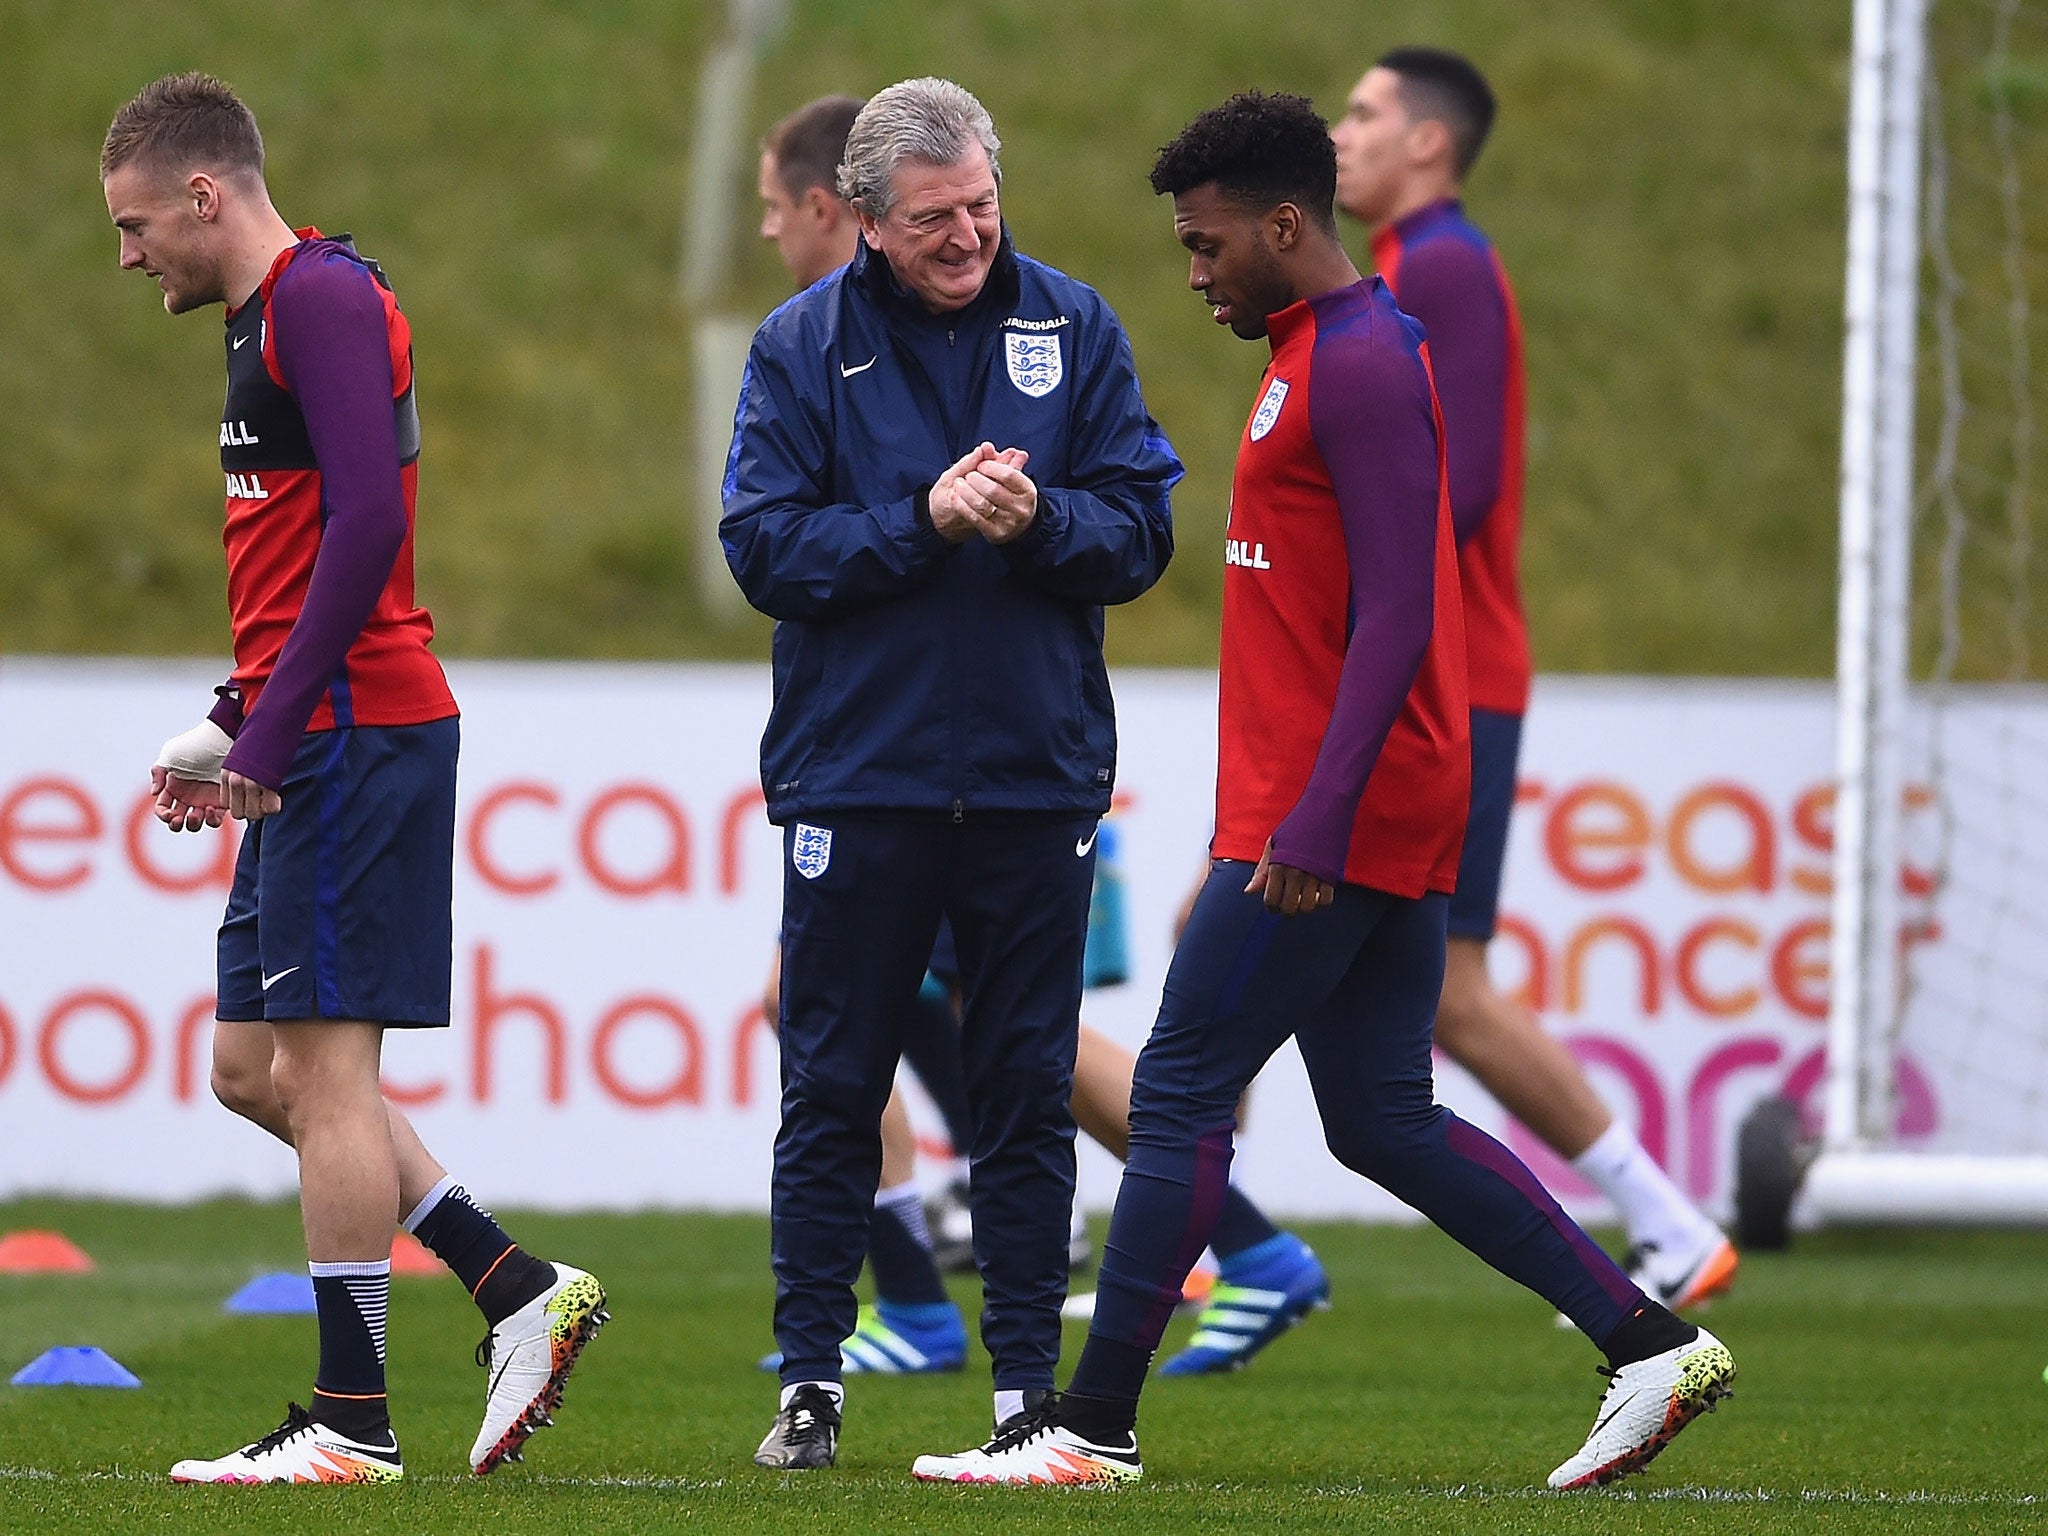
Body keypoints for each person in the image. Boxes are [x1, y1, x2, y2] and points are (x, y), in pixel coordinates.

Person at [910, 89, 1736, 1492]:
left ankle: (1090, 1428)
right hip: (1348, 802)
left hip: (1339, 811)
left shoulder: (1358, 360)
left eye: (1206, 242)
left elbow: (1405, 616)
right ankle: (1647, 1340)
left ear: (1285, 224)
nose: (1193, 271)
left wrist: (1315, 818)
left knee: (1172, 1094)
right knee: (1380, 1117)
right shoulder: (1315, 348)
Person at [101, 72, 606, 1485]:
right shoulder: (272, 312)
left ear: (208, 194)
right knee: (250, 1070)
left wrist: (270, 737)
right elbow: (309, 542)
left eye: (139, 226)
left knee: (326, 1077)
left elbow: (376, 525)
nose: (129, 256)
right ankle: (509, 1285)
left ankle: (350, 1424)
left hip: (350, 735)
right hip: (308, 724)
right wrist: (235, 711)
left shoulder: (318, 297)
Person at [722, 76, 1180, 1470]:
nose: (968, 234)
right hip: (861, 777)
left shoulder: (1073, 323)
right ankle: (811, 1379)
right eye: (933, 218)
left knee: (1025, 1093)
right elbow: (764, 550)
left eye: (982, 205)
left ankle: (1025, 1392)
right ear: (863, 219)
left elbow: (1144, 524)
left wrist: (1042, 520)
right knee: (833, 1087)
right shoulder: (799, 346)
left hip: (1037, 780)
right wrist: (921, 521)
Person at [1332, 48, 1737, 1310]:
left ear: (1428, 147)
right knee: (1409, 984)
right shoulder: (1407, 267)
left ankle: (1205, 1247)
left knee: (1421, 982)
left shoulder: (1439, 265)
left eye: (1362, 113)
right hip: (1439, 667)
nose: (1338, 133)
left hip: (1439, 675)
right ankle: (1669, 1226)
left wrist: (1364, 634)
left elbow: (1459, 491)